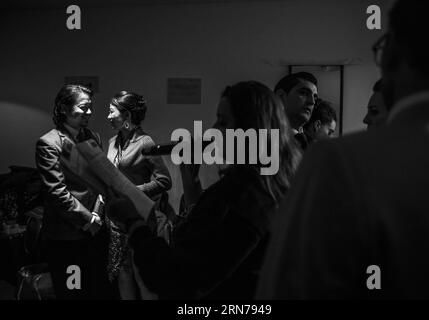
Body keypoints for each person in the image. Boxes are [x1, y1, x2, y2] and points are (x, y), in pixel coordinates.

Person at [256, 0, 429, 299]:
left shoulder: (335, 160)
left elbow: (290, 287)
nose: (311, 102)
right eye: (304, 93)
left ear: (391, 59)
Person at [107, 81, 301, 299]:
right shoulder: (270, 183)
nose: (213, 131)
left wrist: (133, 221)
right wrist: (192, 189)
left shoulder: (243, 192)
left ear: (249, 130)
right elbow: (214, 248)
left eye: (223, 121)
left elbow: (174, 278)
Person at [35, 84, 110, 299]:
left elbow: (101, 179)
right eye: (84, 107)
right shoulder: (48, 144)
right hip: (67, 236)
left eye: (90, 107)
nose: (89, 112)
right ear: (64, 109)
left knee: (95, 288)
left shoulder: (93, 137)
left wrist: (98, 215)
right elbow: (57, 192)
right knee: (73, 291)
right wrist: (88, 220)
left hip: (96, 230)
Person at [106, 90, 172, 299]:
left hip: (139, 218)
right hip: (117, 221)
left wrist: (133, 193)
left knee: (141, 271)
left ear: (126, 116)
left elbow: (164, 181)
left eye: (111, 112)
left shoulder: (145, 142)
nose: (108, 116)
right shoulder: (111, 142)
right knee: (123, 270)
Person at [274, 72, 318, 151]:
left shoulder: (313, 145)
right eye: (304, 93)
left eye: (315, 97)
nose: (312, 102)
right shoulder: (260, 140)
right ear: (281, 97)